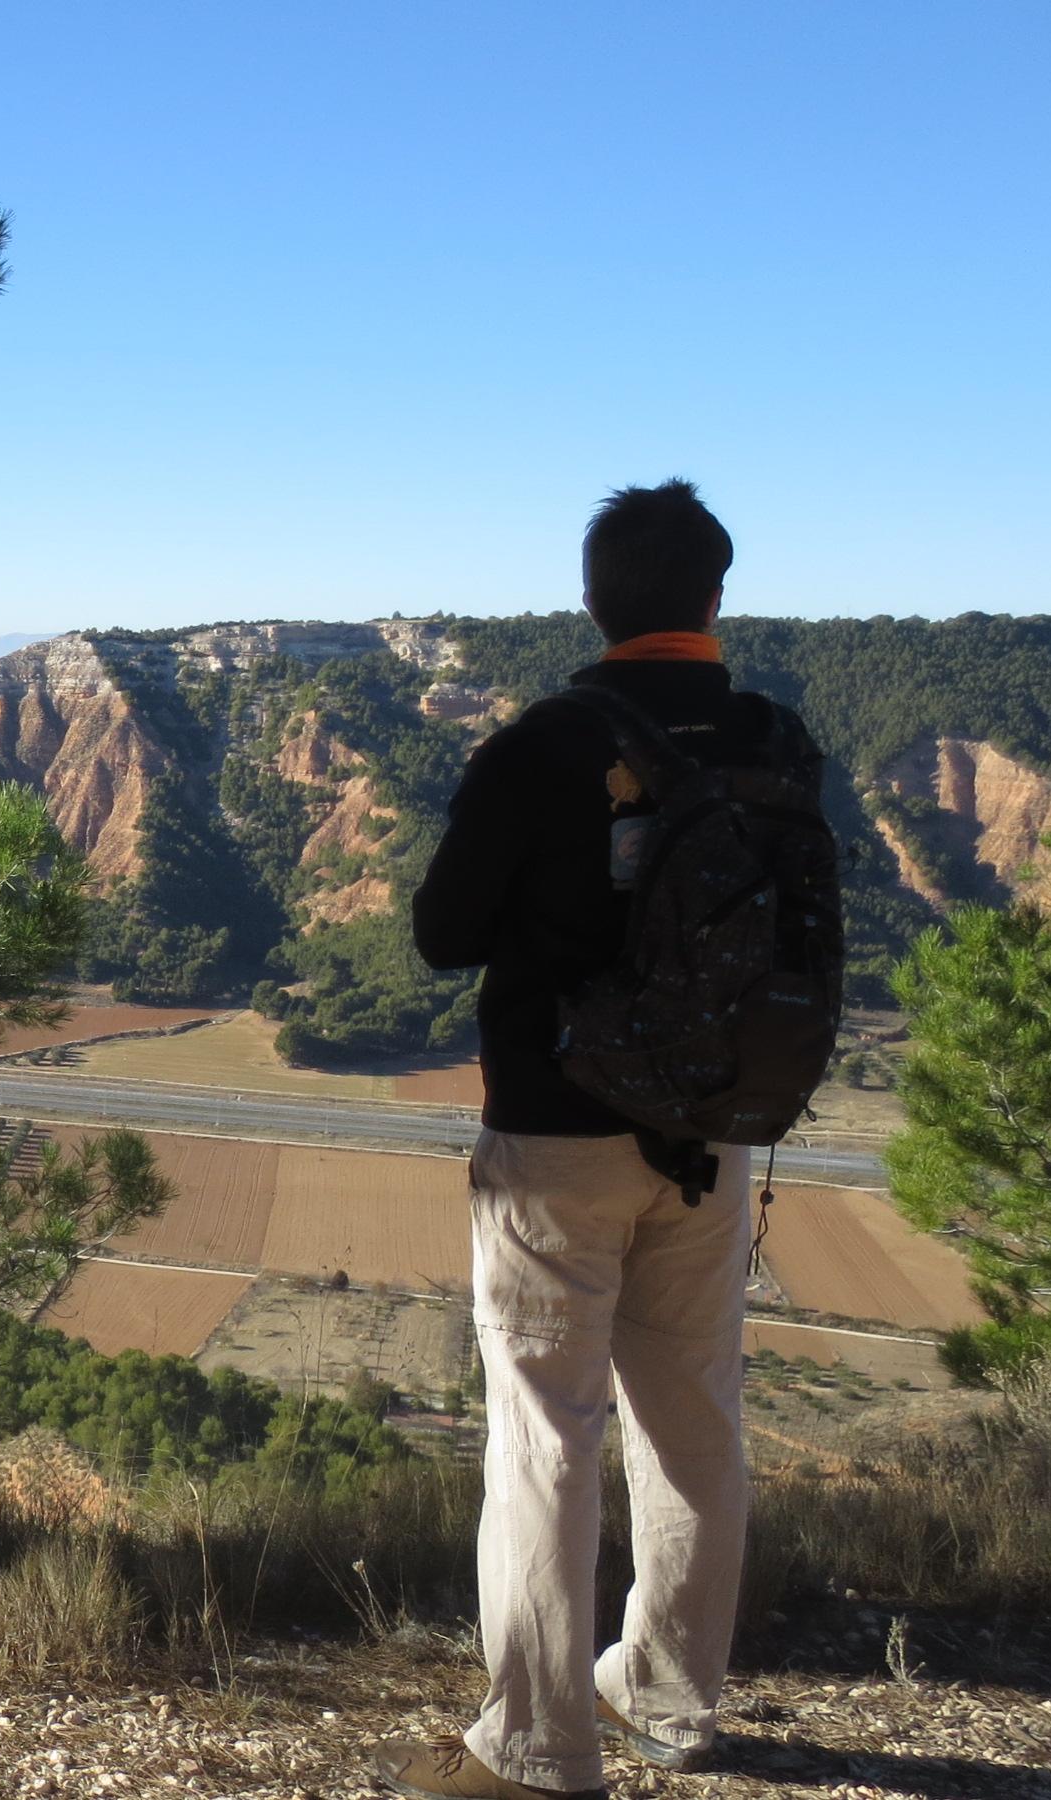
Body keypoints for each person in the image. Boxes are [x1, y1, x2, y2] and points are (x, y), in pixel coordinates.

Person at [376, 480, 822, 1800]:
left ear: (594, 598)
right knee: (694, 1424)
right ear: (714, 598)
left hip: (559, 1139)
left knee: (543, 1437)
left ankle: (533, 1749)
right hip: (714, 1132)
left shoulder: (546, 744)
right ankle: (673, 1704)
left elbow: (445, 933)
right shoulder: (771, 737)